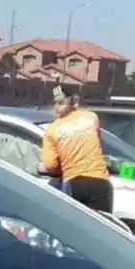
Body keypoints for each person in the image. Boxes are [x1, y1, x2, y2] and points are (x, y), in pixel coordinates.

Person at [40, 84, 113, 214]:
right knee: (103, 228)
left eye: (59, 103)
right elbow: (97, 143)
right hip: (101, 181)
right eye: (55, 103)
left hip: (75, 182)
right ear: (74, 101)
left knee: (75, 228)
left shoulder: (52, 130)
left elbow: (50, 165)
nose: (56, 107)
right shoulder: (91, 117)